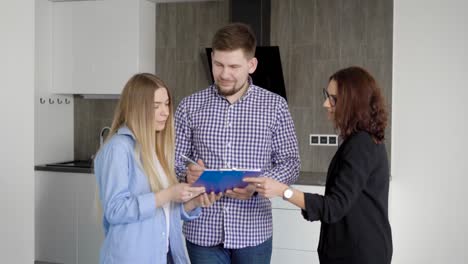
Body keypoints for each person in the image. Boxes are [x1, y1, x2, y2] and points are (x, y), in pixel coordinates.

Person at [174, 23, 300, 263]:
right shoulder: (189, 106)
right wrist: (187, 173)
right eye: (218, 64)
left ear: (251, 65)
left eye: (233, 66)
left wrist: (257, 186)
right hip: (202, 230)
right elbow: (174, 159)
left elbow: (291, 163)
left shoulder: (275, 107)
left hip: (253, 232)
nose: (224, 74)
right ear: (211, 58)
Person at [245, 66, 393, 264]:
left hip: (359, 253)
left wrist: (284, 191)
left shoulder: (361, 145)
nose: (326, 103)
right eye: (327, 95)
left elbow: (334, 207)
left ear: (352, 103)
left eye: (333, 98)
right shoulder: (360, 141)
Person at [94, 73, 221, 264]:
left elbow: (163, 212)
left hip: (165, 254)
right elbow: (115, 210)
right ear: (136, 109)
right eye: (156, 106)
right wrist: (168, 194)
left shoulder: (156, 149)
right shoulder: (118, 148)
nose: (166, 112)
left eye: (167, 103)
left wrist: (194, 203)